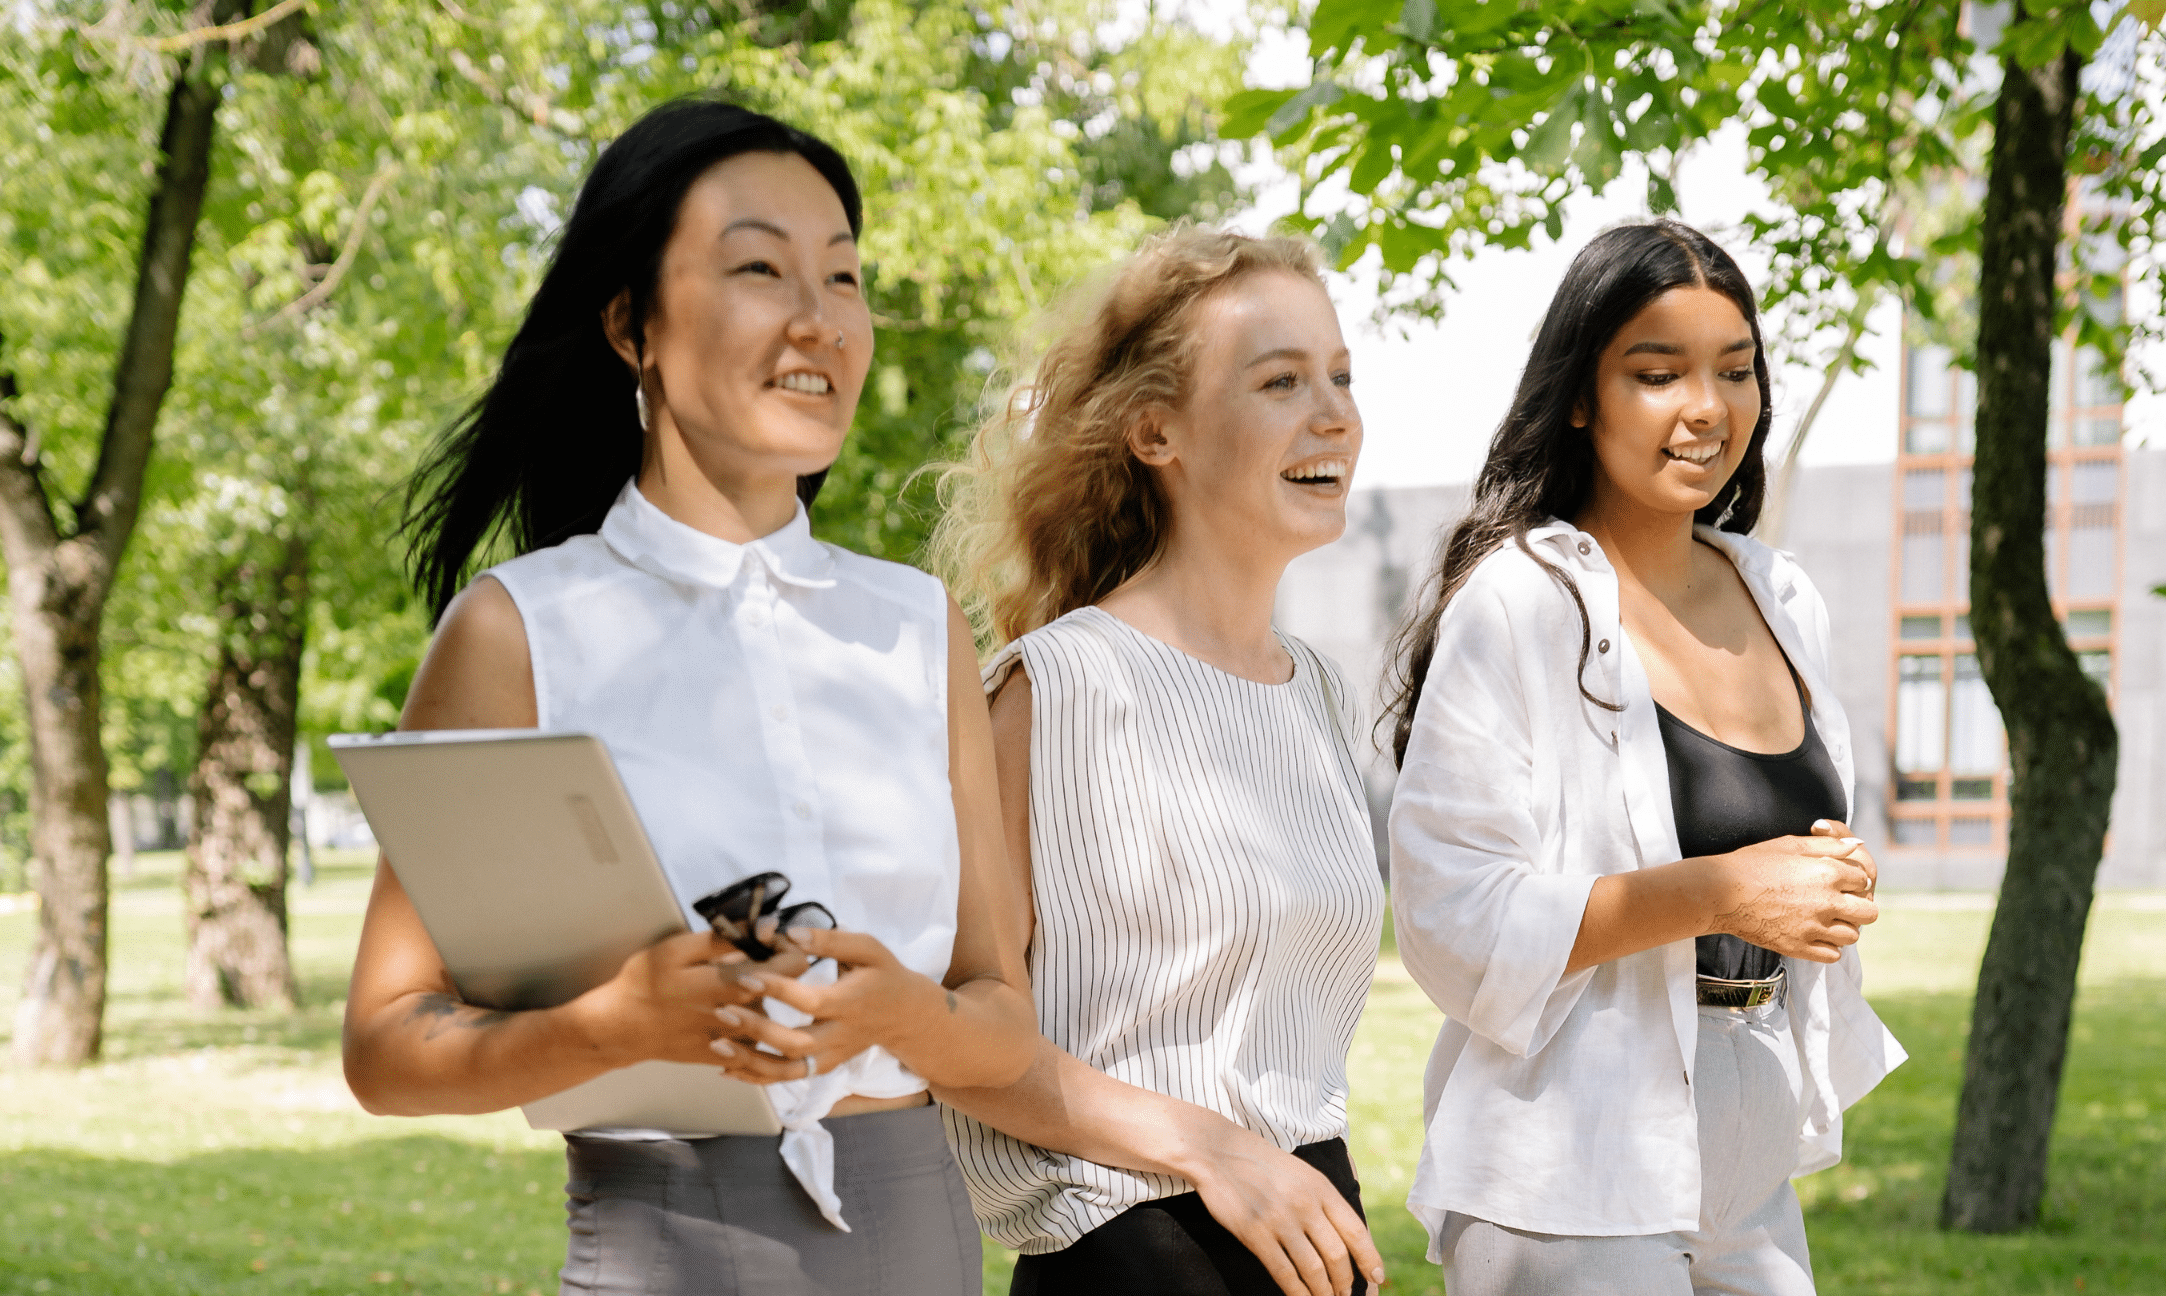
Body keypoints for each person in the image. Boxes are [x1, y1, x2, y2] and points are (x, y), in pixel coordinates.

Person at [344, 98, 1038, 1296]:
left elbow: (1000, 1011)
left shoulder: (912, 627)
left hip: (922, 1240)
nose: (819, 321)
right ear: (631, 325)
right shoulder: (519, 632)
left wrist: (898, 1017)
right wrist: (612, 1024)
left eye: (845, 278)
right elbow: (384, 1048)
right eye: (760, 269)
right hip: (663, 1243)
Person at [1383, 219, 1907, 1296]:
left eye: (1733, 369)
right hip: (1569, 1157)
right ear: (1580, 395)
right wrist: (1723, 890)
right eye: (1655, 374)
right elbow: (1451, 919)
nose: (1704, 409)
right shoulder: (1521, 603)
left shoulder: (1778, 595)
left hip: (1747, 1142)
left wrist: (1818, 885)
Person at [926, 226, 1388, 1296]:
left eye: (1339, 377)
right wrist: (1213, 1149)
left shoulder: (1317, 691)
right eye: (1278, 381)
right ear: (1154, 432)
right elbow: (961, 1048)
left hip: (1312, 1232)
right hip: (1133, 1257)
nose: (1334, 415)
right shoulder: (1055, 690)